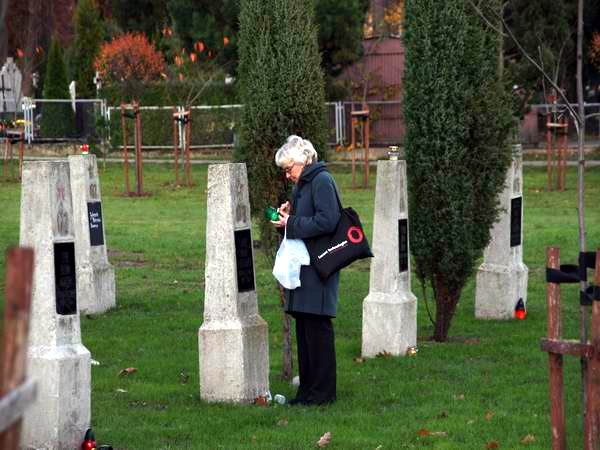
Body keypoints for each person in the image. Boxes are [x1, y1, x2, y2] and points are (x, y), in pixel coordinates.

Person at [271, 135, 341, 406]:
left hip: (319, 266)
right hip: (305, 267)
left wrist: (293, 222)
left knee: (317, 330)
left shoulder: (322, 180)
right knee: (305, 330)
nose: (287, 175)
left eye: (289, 168)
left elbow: (328, 220)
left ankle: (322, 395)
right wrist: (290, 213)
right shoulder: (305, 183)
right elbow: (307, 218)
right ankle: (307, 393)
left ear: (303, 161)